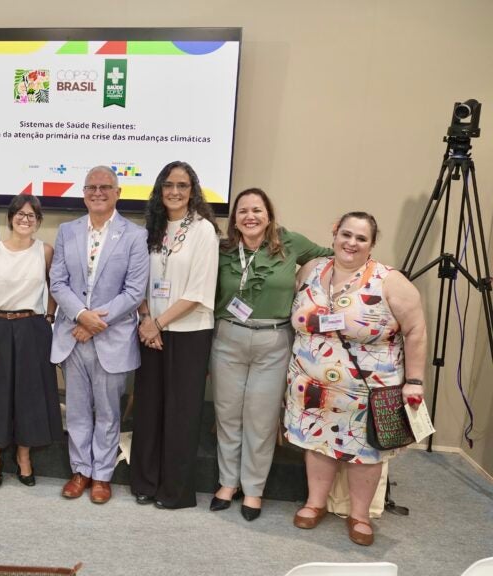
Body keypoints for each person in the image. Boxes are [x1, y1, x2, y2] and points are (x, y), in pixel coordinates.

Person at [285, 212, 426, 546]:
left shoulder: (390, 281)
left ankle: (359, 515)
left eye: (361, 238)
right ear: (334, 234)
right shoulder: (312, 270)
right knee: (317, 444)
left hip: (367, 390)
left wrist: (415, 381)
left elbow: (416, 331)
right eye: (346, 235)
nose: (351, 243)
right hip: (313, 386)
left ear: (371, 244)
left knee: (365, 452)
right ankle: (315, 503)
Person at [209, 188, 330, 520]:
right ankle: (227, 483)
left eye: (257, 210)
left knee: (261, 420)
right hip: (228, 337)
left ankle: (253, 490)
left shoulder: (290, 243)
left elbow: (330, 257)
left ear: (269, 214)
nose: (250, 216)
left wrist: (306, 282)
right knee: (228, 415)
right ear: (234, 218)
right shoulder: (223, 250)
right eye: (243, 210)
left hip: (273, 341)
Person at [50, 166, 148, 504]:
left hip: (111, 337)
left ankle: (102, 475)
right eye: (91, 187)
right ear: (84, 192)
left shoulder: (135, 235)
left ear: (118, 192)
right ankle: (81, 471)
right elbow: (58, 282)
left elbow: (134, 292)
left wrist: (94, 322)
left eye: (106, 186)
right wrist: (80, 315)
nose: (98, 192)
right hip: (72, 335)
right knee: (77, 408)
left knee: (108, 411)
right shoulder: (67, 231)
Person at [130, 161, 219, 510]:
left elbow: (198, 290)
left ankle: (174, 491)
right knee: (149, 409)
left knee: (180, 414)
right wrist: (146, 318)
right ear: (159, 189)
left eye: (182, 185)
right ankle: (145, 482)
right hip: (151, 327)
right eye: (168, 185)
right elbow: (137, 280)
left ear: (193, 190)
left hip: (188, 332)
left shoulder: (203, 231)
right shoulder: (151, 228)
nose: (174, 191)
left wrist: (157, 323)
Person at [0, 194, 62, 490]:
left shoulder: (45, 251)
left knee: (30, 396)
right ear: (10, 218)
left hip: (33, 330)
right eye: (20, 215)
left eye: (32, 216)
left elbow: (55, 289)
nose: (26, 220)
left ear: (38, 221)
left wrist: (48, 318)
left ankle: (24, 457)